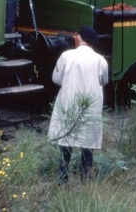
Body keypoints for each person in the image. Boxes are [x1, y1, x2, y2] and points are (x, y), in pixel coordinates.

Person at [47, 26, 109, 183]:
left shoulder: (67, 56)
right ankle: (85, 177)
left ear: (80, 37)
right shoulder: (100, 60)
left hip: (69, 102)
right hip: (90, 105)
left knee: (66, 139)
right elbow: (104, 81)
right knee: (87, 141)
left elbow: (56, 79)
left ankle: (63, 179)